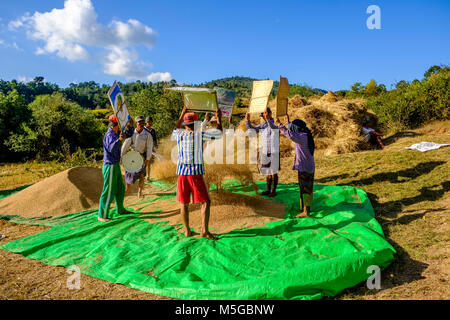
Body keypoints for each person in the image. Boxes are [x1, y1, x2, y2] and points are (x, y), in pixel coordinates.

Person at [173, 106, 223, 240]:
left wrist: (183, 111)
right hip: (195, 174)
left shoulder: (179, 135)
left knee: (183, 203)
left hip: (182, 174)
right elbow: (219, 134)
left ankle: (187, 231)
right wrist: (219, 118)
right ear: (195, 124)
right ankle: (204, 231)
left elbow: (176, 127)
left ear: (185, 124)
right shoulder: (199, 135)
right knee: (206, 202)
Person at [271, 115, 315, 218]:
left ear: (297, 129)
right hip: (305, 166)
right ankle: (303, 207)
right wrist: (288, 122)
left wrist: (279, 124)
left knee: (306, 189)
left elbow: (290, 134)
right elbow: (293, 131)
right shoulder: (304, 134)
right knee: (303, 187)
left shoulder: (302, 137)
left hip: (305, 167)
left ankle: (306, 212)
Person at [98, 114, 132, 222]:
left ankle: (120, 210)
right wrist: (119, 140)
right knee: (108, 191)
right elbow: (111, 149)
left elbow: (127, 134)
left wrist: (130, 126)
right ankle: (102, 215)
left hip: (115, 164)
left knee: (120, 189)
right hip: (110, 166)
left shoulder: (116, 132)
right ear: (116, 124)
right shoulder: (109, 135)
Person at [245, 107, 280, 197]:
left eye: (265, 114)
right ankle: (268, 189)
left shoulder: (275, 123)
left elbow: (273, 127)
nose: (264, 117)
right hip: (265, 151)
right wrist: (247, 121)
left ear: (270, 114)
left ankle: (273, 190)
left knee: (273, 172)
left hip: (274, 151)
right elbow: (252, 130)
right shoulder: (262, 125)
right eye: (263, 115)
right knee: (267, 171)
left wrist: (268, 119)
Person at [121, 116, 153, 198]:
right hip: (131, 156)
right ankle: (128, 189)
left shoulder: (147, 135)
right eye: (139, 122)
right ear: (136, 123)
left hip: (141, 157)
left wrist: (147, 159)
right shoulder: (131, 134)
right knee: (127, 172)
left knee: (141, 175)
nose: (141, 124)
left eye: (143, 122)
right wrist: (121, 155)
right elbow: (125, 145)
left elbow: (149, 147)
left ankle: (140, 191)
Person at [144, 116, 157, 182]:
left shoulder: (153, 130)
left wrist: (155, 148)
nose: (150, 123)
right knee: (143, 163)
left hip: (150, 149)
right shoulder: (143, 130)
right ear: (146, 123)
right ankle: (142, 177)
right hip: (143, 149)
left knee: (148, 163)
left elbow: (154, 140)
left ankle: (148, 177)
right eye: (149, 122)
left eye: (151, 122)